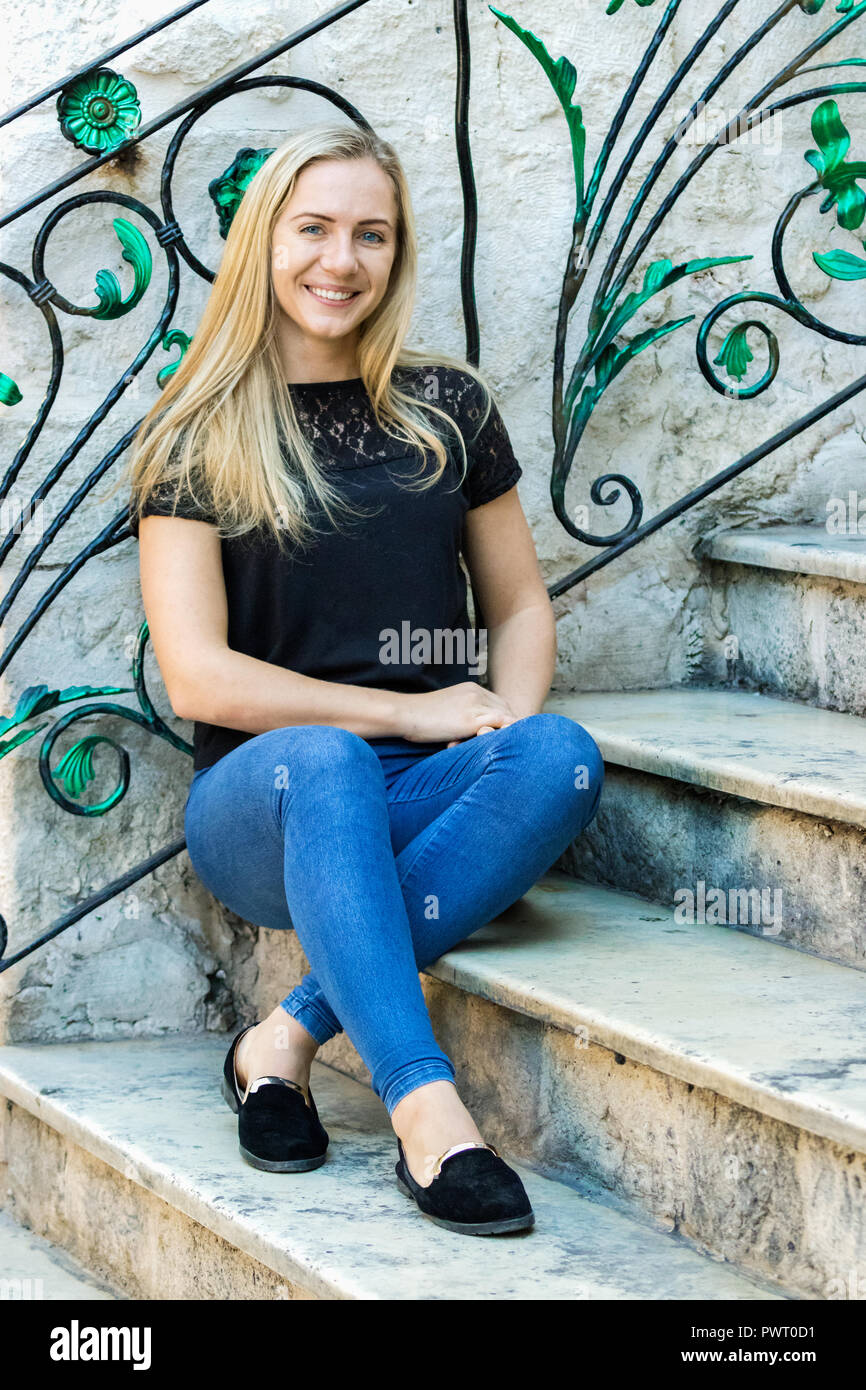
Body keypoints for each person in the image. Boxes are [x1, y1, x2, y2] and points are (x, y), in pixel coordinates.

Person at [121, 121, 604, 1238]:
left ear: (396, 254)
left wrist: (499, 726)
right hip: (268, 801)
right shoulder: (192, 434)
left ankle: (282, 1038)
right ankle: (427, 1111)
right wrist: (401, 709)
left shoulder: (446, 408)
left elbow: (520, 605)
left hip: (421, 789)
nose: (341, 260)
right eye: (314, 229)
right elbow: (197, 677)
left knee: (560, 757)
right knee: (329, 759)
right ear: (263, 243)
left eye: (370, 235)